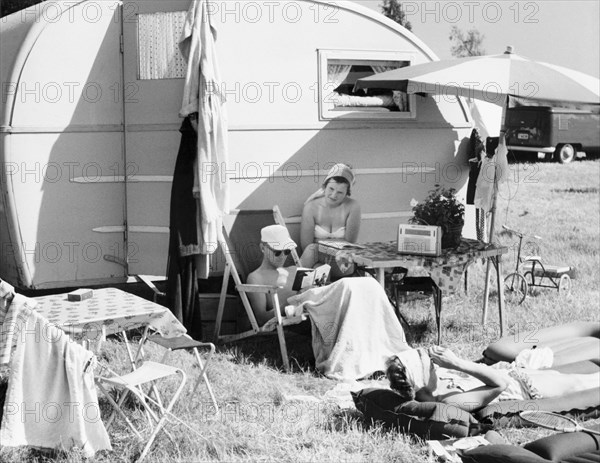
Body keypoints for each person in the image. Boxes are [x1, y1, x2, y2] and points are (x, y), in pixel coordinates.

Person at [246, 224, 410, 380]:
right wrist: (290, 302)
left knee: (369, 285)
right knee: (347, 286)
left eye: (287, 251)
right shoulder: (256, 278)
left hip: (319, 305)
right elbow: (261, 319)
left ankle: (380, 350)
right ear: (262, 248)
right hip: (299, 309)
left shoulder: (295, 270)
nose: (283, 257)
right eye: (277, 252)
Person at [386, 347, 600, 413]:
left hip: (519, 376)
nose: (436, 366)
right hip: (524, 388)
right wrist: (457, 363)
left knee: (587, 378)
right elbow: (500, 385)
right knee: (585, 385)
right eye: (430, 365)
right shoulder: (449, 403)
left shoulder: (436, 388)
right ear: (420, 380)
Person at [300, 163, 361, 277]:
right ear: (324, 186)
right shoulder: (311, 207)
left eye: (340, 192)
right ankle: (293, 288)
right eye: (331, 189)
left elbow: (350, 242)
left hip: (342, 260)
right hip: (316, 258)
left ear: (347, 193)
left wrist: (322, 246)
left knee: (321, 265)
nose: (333, 195)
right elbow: (306, 245)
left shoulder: (353, 206)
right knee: (314, 257)